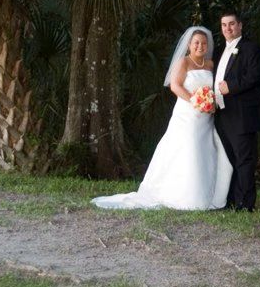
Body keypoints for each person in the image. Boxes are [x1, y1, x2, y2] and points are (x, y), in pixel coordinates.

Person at [91, 27, 232, 210]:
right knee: (189, 149)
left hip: (206, 118)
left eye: (204, 43)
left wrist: (210, 103)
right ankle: (185, 196)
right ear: (189, 45)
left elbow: (214, 89)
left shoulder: (210, 65)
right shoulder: (183, 62)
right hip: (187, 115)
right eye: (196, 42)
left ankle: (206, 194)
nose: (200, 46)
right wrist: (196, 101)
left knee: (205, 152)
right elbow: (175, 86)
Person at [214, 10, 260, 212]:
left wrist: (232, 86)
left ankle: (246, 204)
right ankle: (231, 200)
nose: (228, 28)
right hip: (222, 113)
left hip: (242, 114)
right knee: (229, 160)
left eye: (232, 24)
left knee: (245, 159)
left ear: (240, 25)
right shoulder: (219, 51)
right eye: (224, 25)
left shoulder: (251, 48)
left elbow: (256, 76)